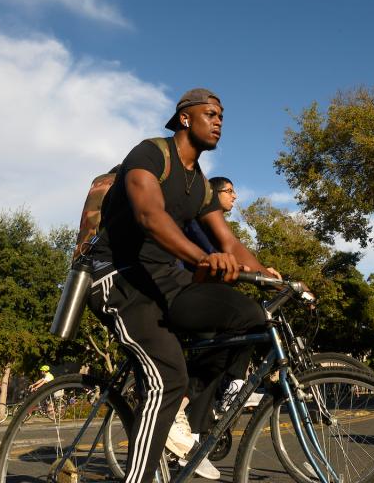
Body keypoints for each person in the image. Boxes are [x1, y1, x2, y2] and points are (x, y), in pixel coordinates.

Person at [84, 88, 281, 482]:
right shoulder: (152, 154)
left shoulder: (201, 185)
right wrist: (201, 258)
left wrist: (271, 277)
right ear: (186, 119)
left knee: (248, 316)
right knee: (168, 376)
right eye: (211, 114)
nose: (219, 121)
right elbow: (148, 215)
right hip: (117, 276)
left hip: (165, 282)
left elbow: (229, 243)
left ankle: (195, 416)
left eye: (222, 116)